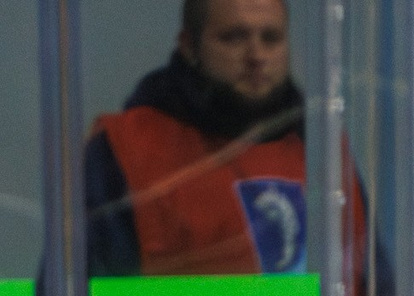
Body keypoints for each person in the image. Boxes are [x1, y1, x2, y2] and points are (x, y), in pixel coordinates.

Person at [86, 0, 355, 279]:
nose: (257, 56)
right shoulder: (127, 150)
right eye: (234, 38)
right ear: (189, 45)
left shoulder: (322, 147)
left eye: (271, 38)